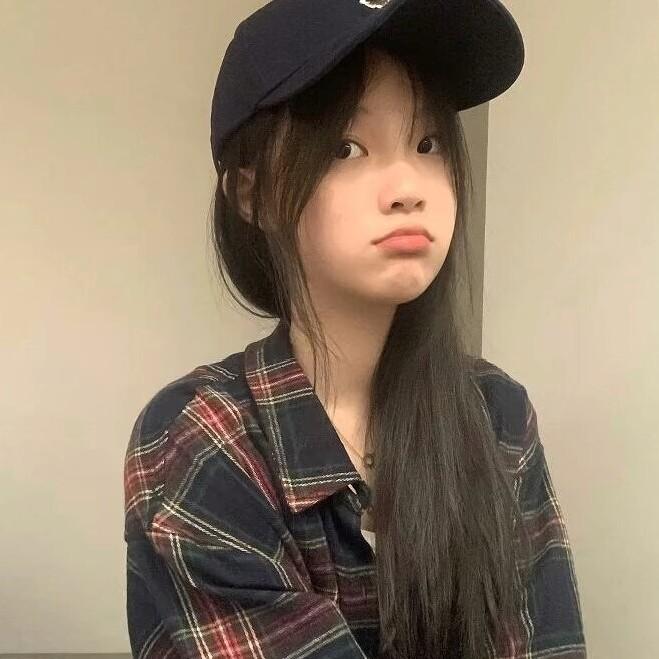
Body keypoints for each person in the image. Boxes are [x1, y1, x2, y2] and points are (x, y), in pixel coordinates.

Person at [123, 1, 587, 657]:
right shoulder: (202, 436)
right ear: (251, 195)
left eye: (427, 144)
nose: (408, 187)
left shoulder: (495, 414)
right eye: (346, 147)